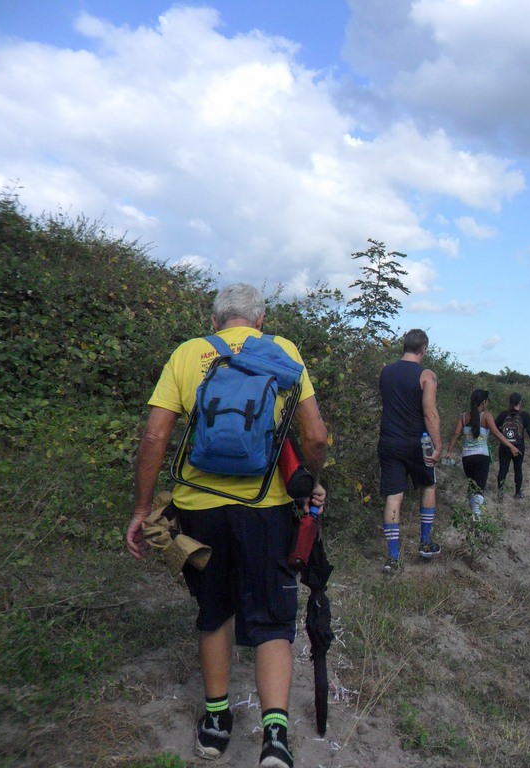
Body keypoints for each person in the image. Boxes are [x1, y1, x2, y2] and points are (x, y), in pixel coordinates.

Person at [125, 283, 329, 768]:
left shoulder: (188, 353)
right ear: (260, 321)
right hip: (266, 507)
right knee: (272, 618)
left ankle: (216, 724)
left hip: (198, 508)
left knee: (214, 610)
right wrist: (310, 484)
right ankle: (275, 738)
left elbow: (155, 435)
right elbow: (315, 435)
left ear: (213, 321)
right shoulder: (281, 350)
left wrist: (142, 508)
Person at [377, 329, 444, 574]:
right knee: (428, 486)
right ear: (424, 349)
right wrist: (438, 445)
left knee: (394, 496)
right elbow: (430, 413)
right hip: (418, 443)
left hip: (389, 442)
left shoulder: (385, 371)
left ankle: (392, 558)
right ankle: (425, 543)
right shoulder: (427, 375)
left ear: (404, 345)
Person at [444, 389, 519, 519]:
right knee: (479, 488)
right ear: (483, 402)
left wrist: (449, 451)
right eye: (487, 401)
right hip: (482, 457)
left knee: (472, 485)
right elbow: (497, 433)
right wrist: (511, 446)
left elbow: (455, 435)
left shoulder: (463, 417)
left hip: (467, 457)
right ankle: (476, 516)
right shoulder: (486, 416)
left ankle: (473, 512)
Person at [493, 392, 530, 500]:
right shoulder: (524, 415)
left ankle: (500, 493)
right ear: (520, 402)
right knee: (518, 469)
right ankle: (518, 492)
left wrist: (503, 437)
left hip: (505, 446)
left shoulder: (503, 414)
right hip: (519, 447)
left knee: (503, 469)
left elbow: (495, 428)